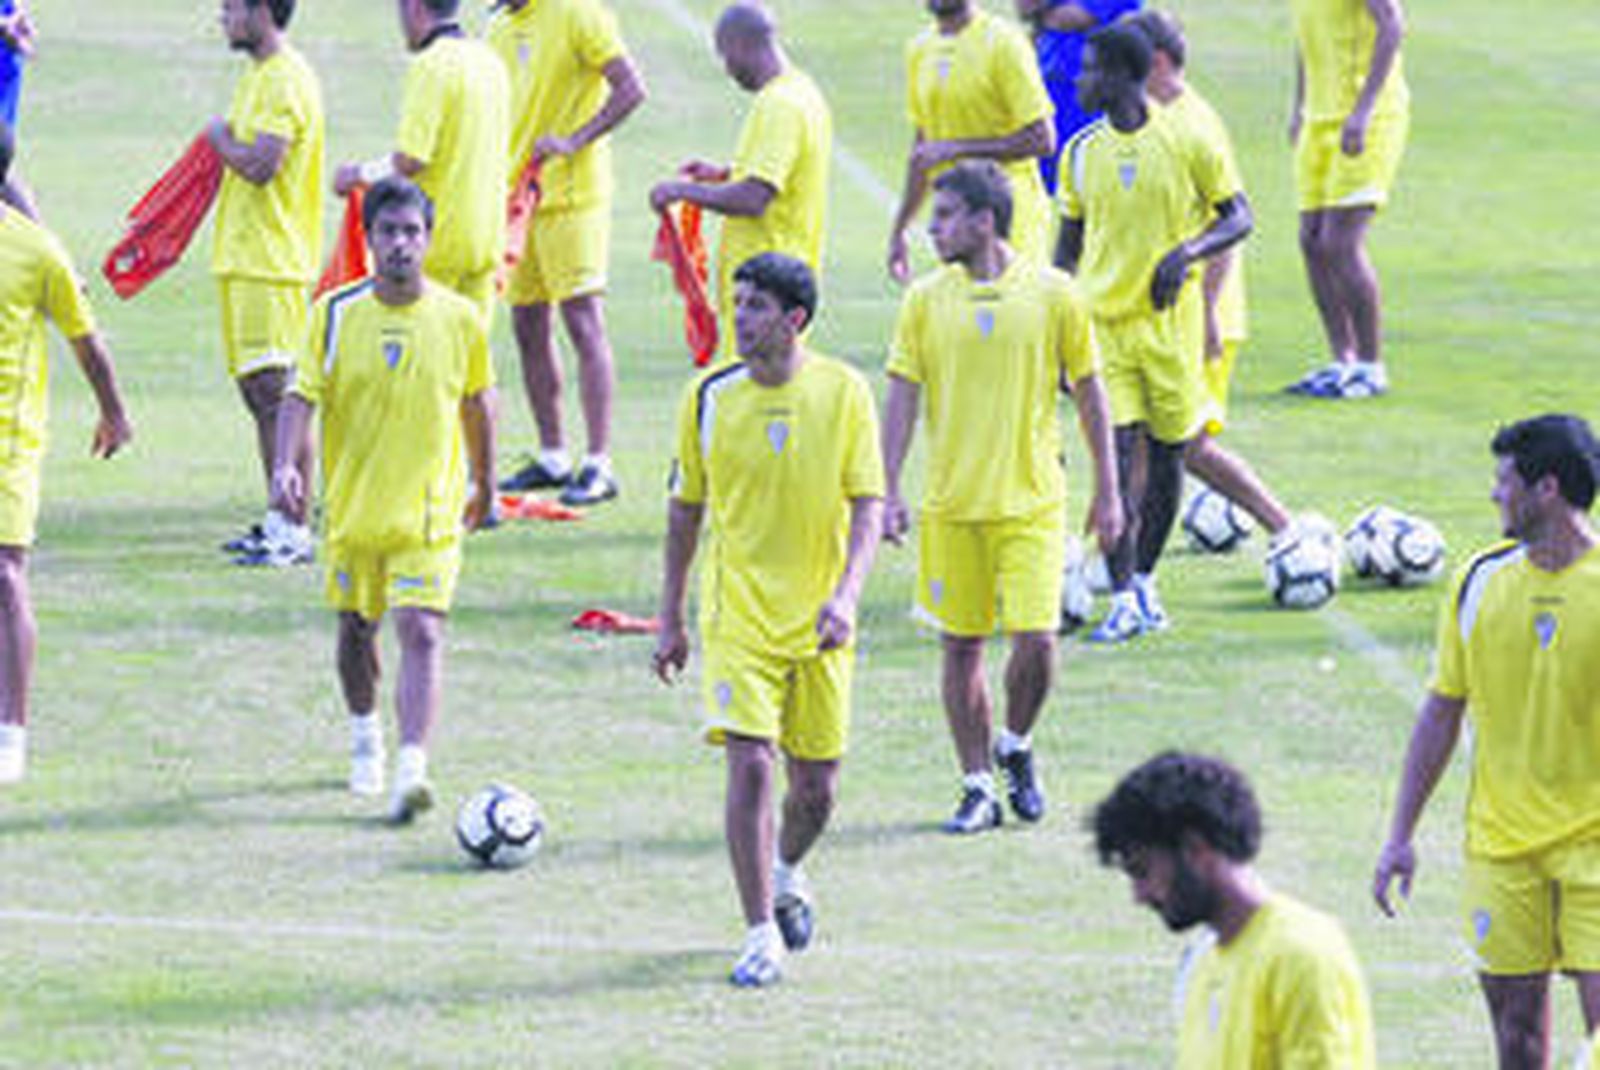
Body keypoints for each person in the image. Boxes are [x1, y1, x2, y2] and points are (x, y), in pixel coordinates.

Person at [653, 253, 884, 988]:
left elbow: (869, 504)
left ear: (795, 319)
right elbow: (684, 511)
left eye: (756, 305)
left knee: (816, 790)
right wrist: (670, 616)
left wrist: (846, 596)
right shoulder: (708, 396)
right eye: (738, 301)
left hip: (819, 622)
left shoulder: (844, 391)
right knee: (752, 764)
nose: (740, 317)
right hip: (738, 617)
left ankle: (786, 871)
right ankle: (759, 933)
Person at [882, 160, 1119, 834]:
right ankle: (977, 784)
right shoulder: (924, 300)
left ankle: (1014, 743)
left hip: (1032, 503)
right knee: (960, 650)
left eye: (945, 216)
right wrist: (887, 487)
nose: (933, 229)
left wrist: (1108, 489)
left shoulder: (1054, 294)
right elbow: (902, 394)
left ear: (985, 222)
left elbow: (1091, 391)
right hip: (951, 507)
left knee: (1037, 643)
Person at [1373, 415, 1600, 1069]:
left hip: (1595, 849)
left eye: (1505, 481)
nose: (1495, 494)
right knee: (1517, 1038)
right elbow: (1442, 711)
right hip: (1502, 851)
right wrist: (1399, 835)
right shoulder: (1479, 581)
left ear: (1547, 489)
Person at [271, 177, 496, 822]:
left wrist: (486, 482)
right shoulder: (334, 314)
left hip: (429, 513)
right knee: (355, 630)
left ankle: (412, 767)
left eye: (412, 232)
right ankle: (365, 735)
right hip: (354, 510)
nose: (401, 244)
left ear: (429, 239)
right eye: (389, 232)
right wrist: (285, 464)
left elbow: (479, 402)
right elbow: (301, 395)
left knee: (421, 629)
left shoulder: (460, 318)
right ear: (368, 238)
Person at [1055, 23, 1250, 643]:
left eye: (1090, 68)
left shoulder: (1188, 141)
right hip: (1103, 332)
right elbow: (1065, 252)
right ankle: (1122, 598)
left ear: (1123, 76)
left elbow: (1239, 216)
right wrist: (1053, 333)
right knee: (1113, 464)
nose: (1079, 79)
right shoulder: (1081, 152)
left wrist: (1186, 253)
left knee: (1167, 463)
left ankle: (1142, 581)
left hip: (1170, 331)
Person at [1125, 9, 1298, 543]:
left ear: (1157, 61)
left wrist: (1206, 315)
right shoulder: (1159, 117)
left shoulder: (1194, 125)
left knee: (1186, 444)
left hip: (1201, 313)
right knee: (1145, 439)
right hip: (1169, 312)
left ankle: (1288, 528)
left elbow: (1227, 228)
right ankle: (1116, 551)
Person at [1093, 751, 1377, 1066]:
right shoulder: (1203, 967)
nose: (1139, 895)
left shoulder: (1301, 955)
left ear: (1195, 848)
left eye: (1142, 871)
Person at [0, 122, 134, 784]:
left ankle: (10, 734)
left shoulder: (35, 250)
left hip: (6, 442)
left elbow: (87, 340)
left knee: (4, 575)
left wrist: (114, 412)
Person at [490, 0, 646, 507]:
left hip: (574, 198)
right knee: (527, 323)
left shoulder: (579, 13)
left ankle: (599, 463)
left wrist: (575, 141)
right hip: (519, 199)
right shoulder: (499, 26)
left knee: (582, 320)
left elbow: (631, 88)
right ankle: (553, 454)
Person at [208, 0, 323, 566]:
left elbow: (261, 164)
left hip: (272, 262)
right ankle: (279, 517)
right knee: (259, 395)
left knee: (281, 394)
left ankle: (296, 528)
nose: (222, 17)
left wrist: (219, 141)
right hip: (245, 258)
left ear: (261, 10)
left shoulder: (285, 79)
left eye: (231, 6)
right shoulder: (258, 75)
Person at [648, 2, 830, 347]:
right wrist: (724, 174)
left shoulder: (779, 105)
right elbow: (785, 171)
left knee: (754, 379)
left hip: (767, 293)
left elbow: (753, 198)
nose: (727, 68)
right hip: (782, 285)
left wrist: (680, 192)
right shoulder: (803, 92)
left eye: (725, 55)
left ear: (740, 46)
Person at [334, 0, 509, 324]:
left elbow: (411, 158)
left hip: (438, 242)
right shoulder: (491, 64)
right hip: (487, 238)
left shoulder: (431, 66)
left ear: (413, 6)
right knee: (470, 351)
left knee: (423, 349)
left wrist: (358, 174)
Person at [1282, 0, 1408, 400]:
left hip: (1366, 118)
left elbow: (1392, 24)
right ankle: (1343, 361)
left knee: (1340, 243)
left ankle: (1371, 367)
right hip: (1319, 118)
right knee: (1311, 241)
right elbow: (1307, 38)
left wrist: (1364, 110)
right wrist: (1299, 107)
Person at [887, 0, 1056, 283]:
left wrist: (957, 148)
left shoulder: (1003, 43)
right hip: (955, 224)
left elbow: (1042, 138)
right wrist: (901, 228)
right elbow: (924, 152)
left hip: (1010, 220)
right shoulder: (919, 49)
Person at [1014, 0, 1140, 196]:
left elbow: (1072, 17)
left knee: (1087, 174)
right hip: (1049, 79)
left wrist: (1042, 12)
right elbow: (1025, 7)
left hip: (1096, 89)